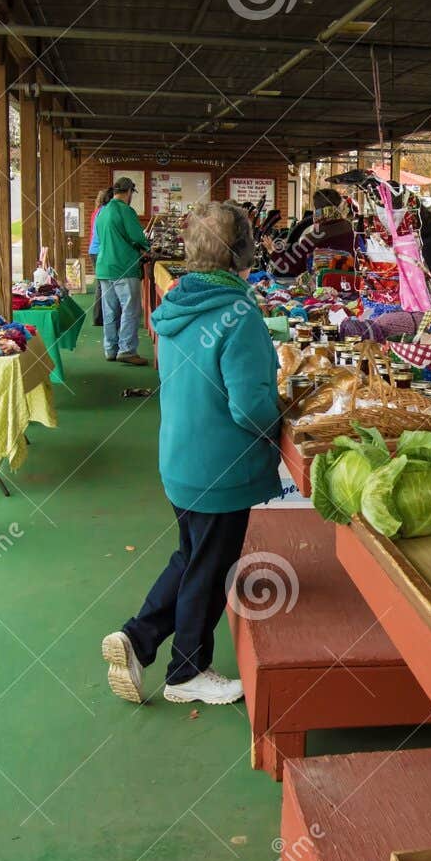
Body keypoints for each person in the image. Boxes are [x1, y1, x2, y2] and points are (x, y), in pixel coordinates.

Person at [102, 201, 281, 706]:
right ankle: (187, 672)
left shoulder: (179, 300)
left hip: (181, 461)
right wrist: (280, 414)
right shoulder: (238, 313)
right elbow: (249, 408)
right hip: (222, 470)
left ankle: (137, 639)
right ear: (241, 251)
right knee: (209, 565)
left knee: (192, 556)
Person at [92, 178, 151, 365]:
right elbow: (137, 237)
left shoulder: (102, 211)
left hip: (104, 267)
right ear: (129, 192)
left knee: (109, 311)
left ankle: (110, 349)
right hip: (124, 267)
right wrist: (146, 247)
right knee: (130, 309)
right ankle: (127, 350)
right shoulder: (126, 210)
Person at [266, 188, 356, 277]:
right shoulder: (351, 229)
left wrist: (273, 252)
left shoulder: (314, 238)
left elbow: (290, 266)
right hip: (352, 283)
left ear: (317, 211)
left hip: (322, 288)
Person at [87, 186, 110, 327]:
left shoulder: (96, 212)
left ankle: (99, 317)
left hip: (94, 250)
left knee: (101, 285)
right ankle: (98, 317)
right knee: (102, 285)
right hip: (98, 251)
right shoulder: (103, 213)